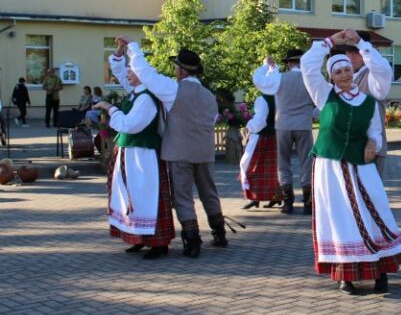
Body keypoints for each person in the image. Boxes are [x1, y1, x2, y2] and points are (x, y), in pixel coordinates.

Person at [300, 32, 401, 296]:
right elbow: (307, 63)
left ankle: (381, 271)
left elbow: (375, 130)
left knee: (375, 211)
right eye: (339, 72)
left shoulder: (368, 100)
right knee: (339, 217)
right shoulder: (324, 95)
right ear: (331, 76)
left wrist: (373, 143)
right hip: (330, 167)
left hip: (361, 166)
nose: (345, 75)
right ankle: (344, 276)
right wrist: (329, 41)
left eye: (348, 69)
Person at [121, 36, 227, 258]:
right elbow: (211, 120)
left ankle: (192, 240)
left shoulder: (174, 89)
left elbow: (146, 73)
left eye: (176, 67)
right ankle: (219, 233)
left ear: (181, 71)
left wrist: (133, 48)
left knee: (183, 196)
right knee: (209, 192)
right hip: (205, 152)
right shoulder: (209, 96)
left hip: (179, 151)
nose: (175, 71)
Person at [94, 41, 175, 259]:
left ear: (141, 75)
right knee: (130, 196)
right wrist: (119, 56)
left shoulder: (147, 98)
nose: (128, 74)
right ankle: (137, 237)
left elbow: (130, 125)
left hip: (143, 155)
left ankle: (158, 243)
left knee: (146, 196)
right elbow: (120, 73)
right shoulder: (137, 92)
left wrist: (110, 108)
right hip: (129, 153)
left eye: (132, 71)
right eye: (129, 70)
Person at [252, 49, 315, 215]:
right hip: (304, 125)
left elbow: (258, 80)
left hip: (283, 125)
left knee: (283, 163)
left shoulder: (279, 78)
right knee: (307, 163)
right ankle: (308, 203)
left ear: (288, 63)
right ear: (302, 63)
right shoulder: (311, 79)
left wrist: (266, 66)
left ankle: (288, 203)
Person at [335, 30, 393, 178]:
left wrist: (360, 43)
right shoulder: (347, 79)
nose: (349, 55)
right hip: (347, 148)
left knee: (370, 197)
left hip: (370, 149)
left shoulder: (375, 77)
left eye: (354, 52)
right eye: (348, 52)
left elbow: (382, 68)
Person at [239, 95, 281, 210]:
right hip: (276, 135)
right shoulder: (279, 95)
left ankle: (254, 198)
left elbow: (260, 121)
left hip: (262, 137)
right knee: (274, 169)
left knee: (251, 166)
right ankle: (275, 197)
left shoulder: (262, 98)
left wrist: (249, 126)